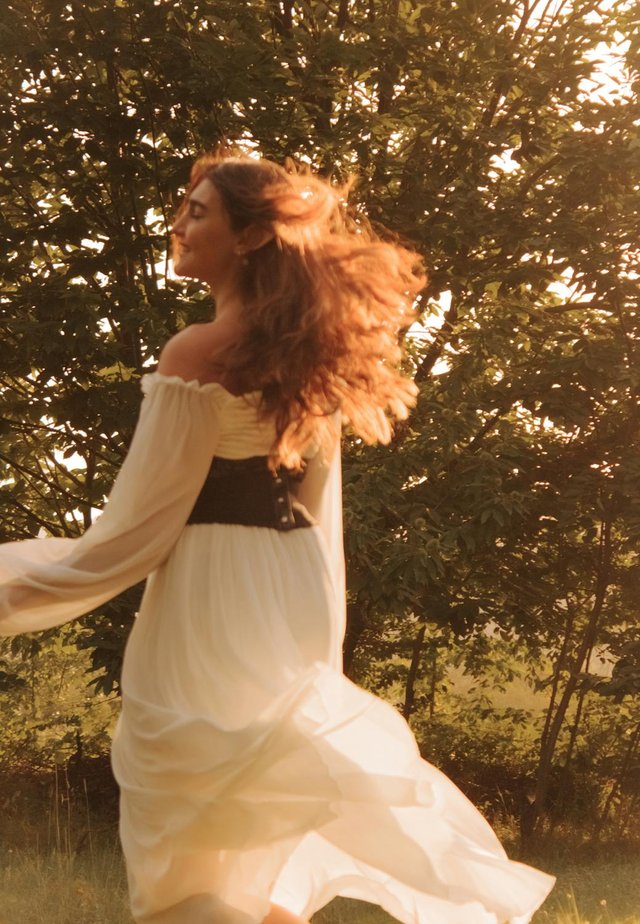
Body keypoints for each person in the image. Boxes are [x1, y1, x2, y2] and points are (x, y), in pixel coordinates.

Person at [0, 149, 554, 924]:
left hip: (209, 604)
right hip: (288, 598)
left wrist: (13, 594)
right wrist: (316, 652)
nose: (177, 225)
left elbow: (132, 535)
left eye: (198, 212)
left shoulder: (197, 354)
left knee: (186, 844)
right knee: (259, 824)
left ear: (253, 238)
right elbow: (318, 521)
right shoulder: (307, 357)